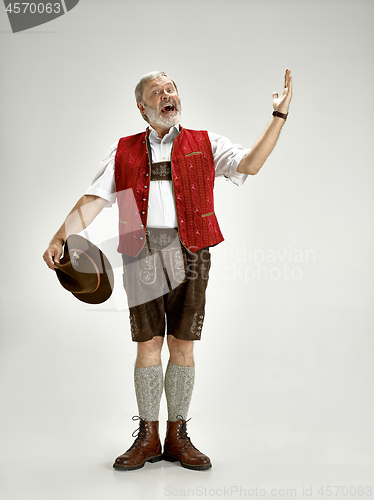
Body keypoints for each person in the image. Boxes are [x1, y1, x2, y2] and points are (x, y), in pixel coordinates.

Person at [43, 69, 293, 471]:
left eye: (171, 89)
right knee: (147, 345)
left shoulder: (205, 142)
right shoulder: (123, 149)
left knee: (183, 343)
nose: (166, 95)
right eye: (156, 92)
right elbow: (94, 199)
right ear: (142, 107)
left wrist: (278, 116)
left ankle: (178, 435)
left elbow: (250, 165)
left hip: (192, 250)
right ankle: (148, 436)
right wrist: (59, 237)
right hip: (141, 253)